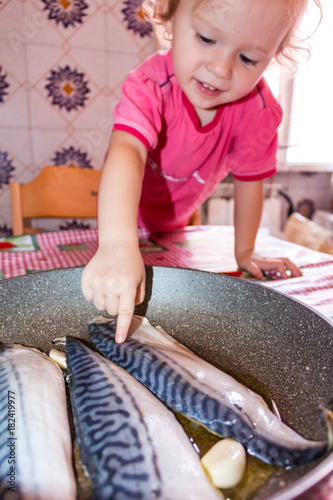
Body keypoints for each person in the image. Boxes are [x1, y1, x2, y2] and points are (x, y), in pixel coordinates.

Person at [82, 0, 319, 343]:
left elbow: (249, 183)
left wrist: (245, 252)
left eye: (249, 58)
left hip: (175, 229)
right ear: (169, 18)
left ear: (274, 55)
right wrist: (118, 243)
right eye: (207, 39)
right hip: (121, 222)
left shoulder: (259, 111)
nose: (221, 69)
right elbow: (127, 149)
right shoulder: (151, 84)